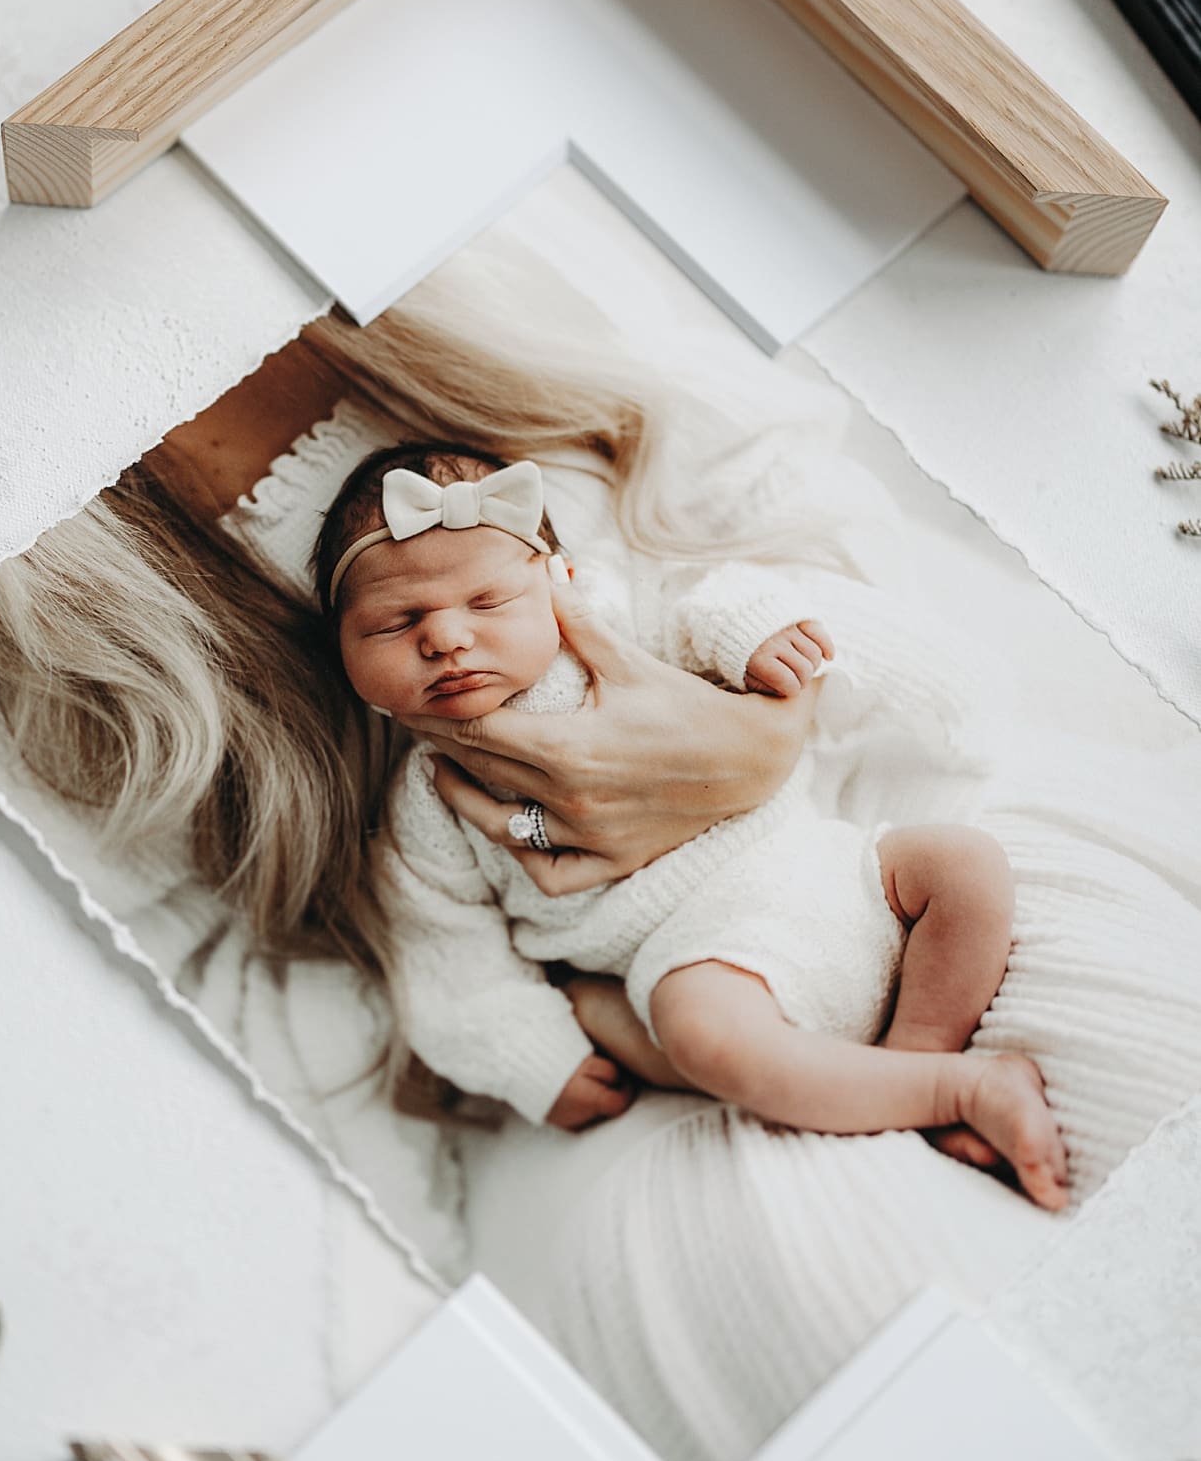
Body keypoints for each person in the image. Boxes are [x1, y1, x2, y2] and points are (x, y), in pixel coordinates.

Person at [316, 441, 1067, 1209]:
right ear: (341, 653)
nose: (443, 638)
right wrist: (536, 1061)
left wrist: (758, 636)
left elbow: (715, 603)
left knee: (965, 864)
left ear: (560, 582)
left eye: (487, 603)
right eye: (395, 623)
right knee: (705, 1034)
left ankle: (917, 1063)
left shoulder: (623, 633)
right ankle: (958, 1090)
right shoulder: (431, 801)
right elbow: (444, 954)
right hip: (694, 957)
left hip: (829, 869)